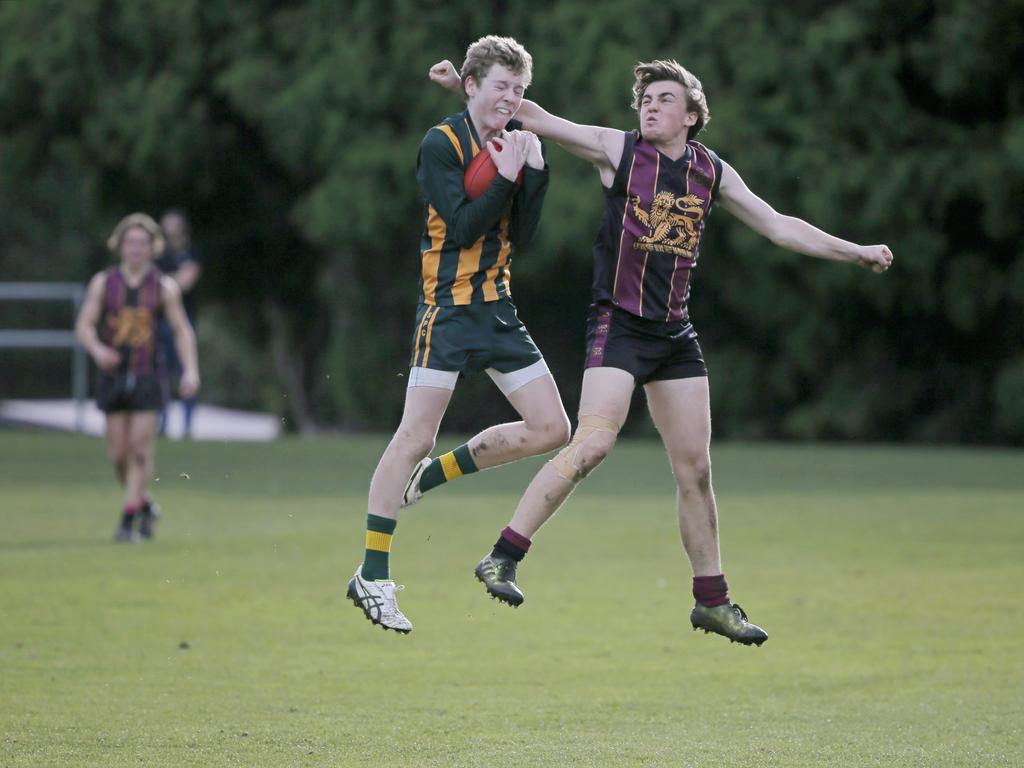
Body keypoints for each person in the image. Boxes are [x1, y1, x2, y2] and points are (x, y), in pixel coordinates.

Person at [428, 57, 894, 646]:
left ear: (692, 116)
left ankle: (713, 601)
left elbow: (779, 226)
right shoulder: (617, 152)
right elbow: (537, 116)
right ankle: (503, 556)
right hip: (617, 326)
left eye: (664, 99)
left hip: (673, 335)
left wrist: (854, 251)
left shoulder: (711, 172)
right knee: (593, 442)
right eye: (645, 99)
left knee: (696, 471)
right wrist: (465, 90)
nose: (650, 106)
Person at [346, 36, 571, 634]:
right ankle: (372, 573)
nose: (512, 98)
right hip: (446, 310)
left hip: (497, 309)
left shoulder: (515, 139)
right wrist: (506, 175)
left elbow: (521, 230)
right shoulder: (440, 143)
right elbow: (467, 225)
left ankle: (435, 476)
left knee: (554, 428)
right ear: (471, 85)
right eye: (501, 86)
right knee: (413, 434)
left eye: (520, 90)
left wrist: (535, 176)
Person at [76, 213, 200, 542]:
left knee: (139, 450)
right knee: (118, 455)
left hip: (149, 375)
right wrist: (98, 350)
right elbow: (84, 326)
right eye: (130, 242)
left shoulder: (164, 287)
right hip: (113, 375)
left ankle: (128, 519)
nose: (135, 248)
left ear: (152, 248)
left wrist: (190, 370)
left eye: (142, 243)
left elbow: (181, 330)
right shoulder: (104, 283)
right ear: (120, 246)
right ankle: (144, 502)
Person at [156, 209, 202, 438]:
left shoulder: (192, 252)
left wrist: (167, 281)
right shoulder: (158, 255)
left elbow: (186, 283)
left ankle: (187, 426)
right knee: (159, 371)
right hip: (160, 322)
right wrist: (175, 278)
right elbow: (156, 287)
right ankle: (161, 423)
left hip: (186, 320)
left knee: (187, 371)